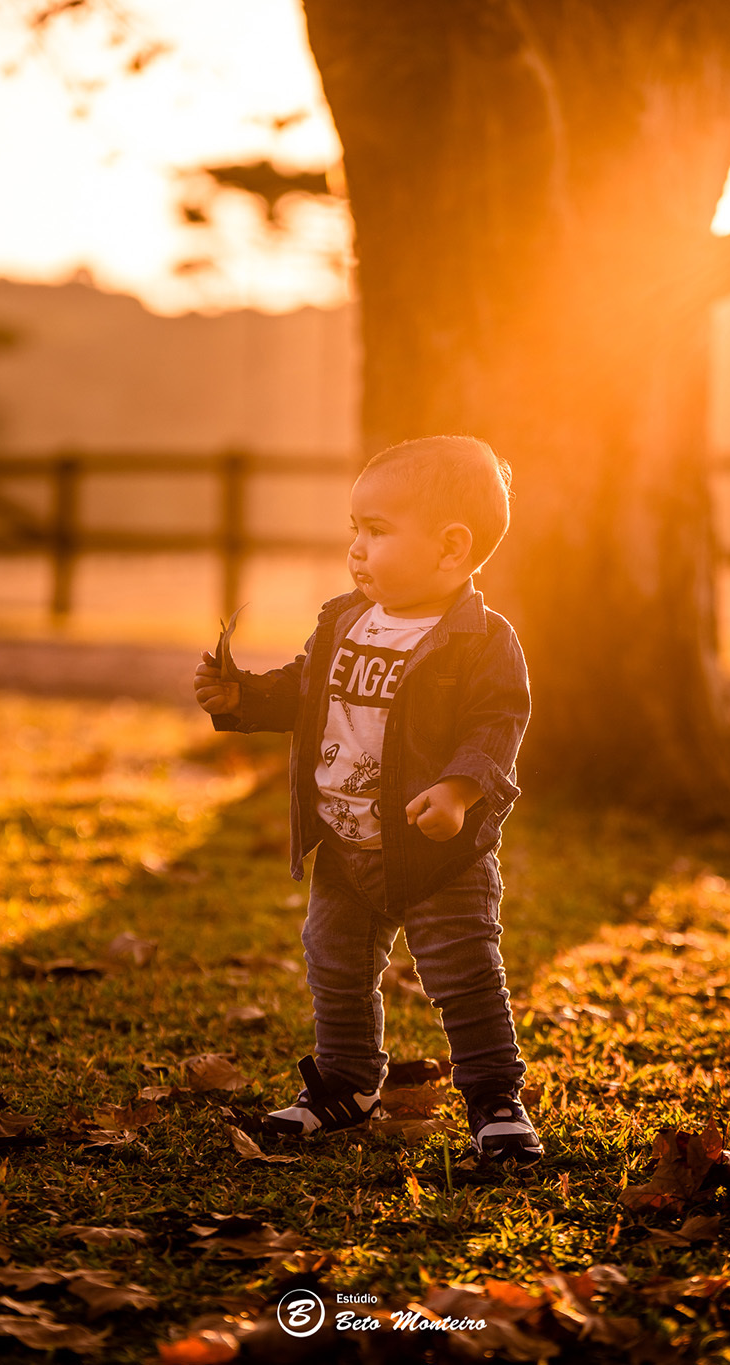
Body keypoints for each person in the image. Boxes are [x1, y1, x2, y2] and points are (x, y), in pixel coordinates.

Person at [194, 435, 542, 1163]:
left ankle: (493, 1098)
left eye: (376, 530)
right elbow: (305, 687)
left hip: (437, 849)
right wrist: (244, 696)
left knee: (462, 971)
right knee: (335, 961)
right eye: (354, 527)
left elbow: (494, 726)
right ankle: (346, 1083)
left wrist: (456, 790)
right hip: (347, 843)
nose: (355, 547)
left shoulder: (482, 641)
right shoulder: (344, 619)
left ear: (451, 548)